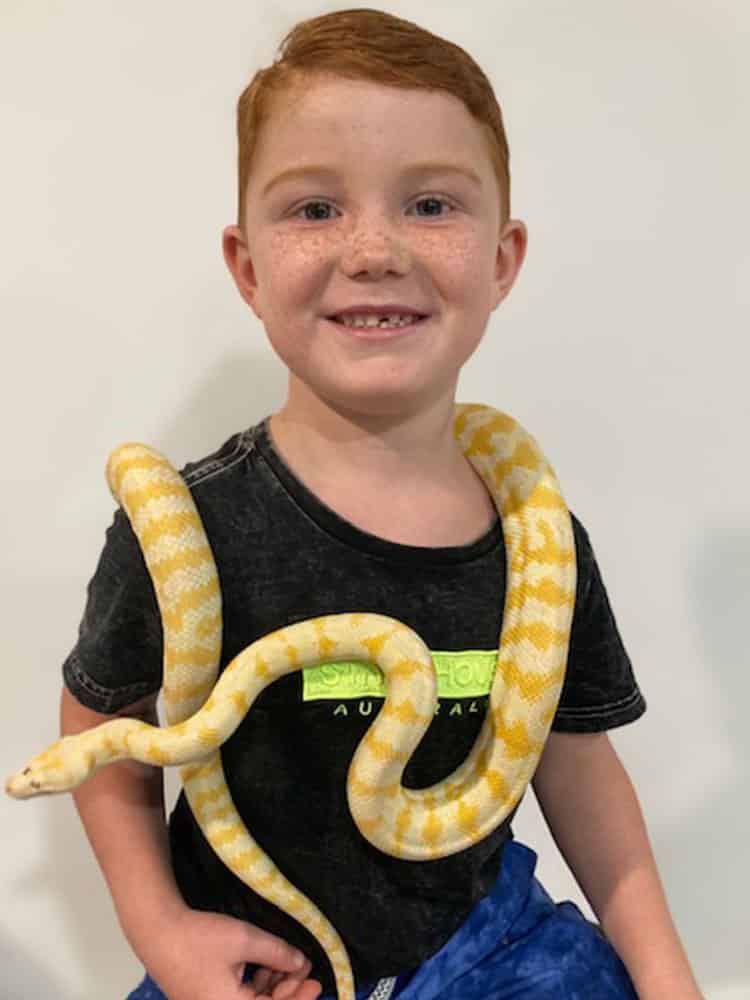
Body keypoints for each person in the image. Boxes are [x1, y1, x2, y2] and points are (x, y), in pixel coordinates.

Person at [59, 8, 703, 1000]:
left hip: (486, 939)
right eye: (315, 209)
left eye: (432, 205)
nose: (374, 248)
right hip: (250, 954)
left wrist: (667, 976)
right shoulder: (183, 525)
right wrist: (161, 932)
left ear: (502, 261)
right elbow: (103, 729)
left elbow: (577, 768)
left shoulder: (539, 539)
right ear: (247, 267)